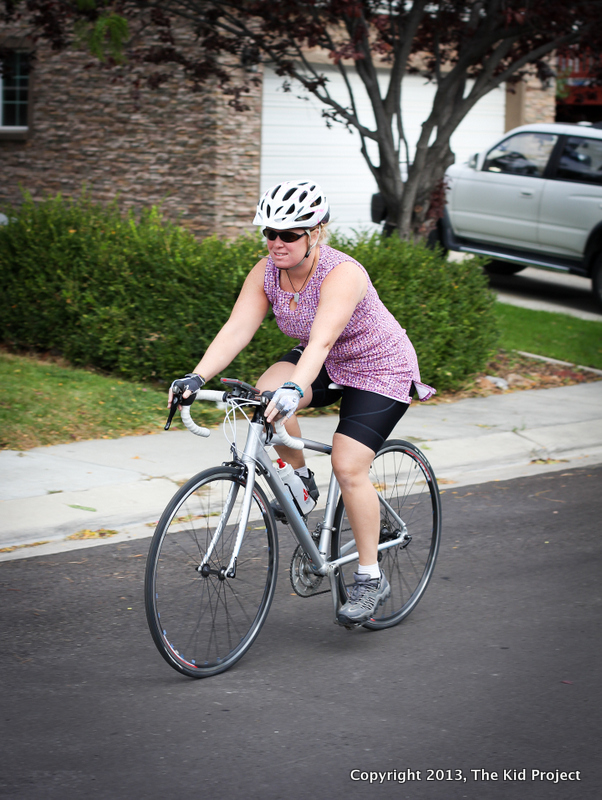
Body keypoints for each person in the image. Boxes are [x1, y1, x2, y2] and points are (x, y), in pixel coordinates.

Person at [169, 179, 435, 627]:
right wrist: (197, 376)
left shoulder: (342, 272)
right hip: (326, 360)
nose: (277, 242)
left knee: (350, 466)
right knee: (264, 393)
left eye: (289, 234)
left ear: (316, 232)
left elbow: (322, 339)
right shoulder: (266, 271)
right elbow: (238, 328)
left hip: (378, 365)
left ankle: (370, 578)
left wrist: (295, 389)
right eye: (270, 232)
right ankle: (301, 480)